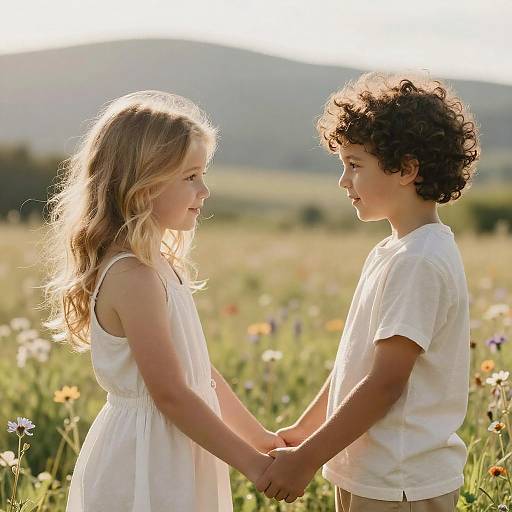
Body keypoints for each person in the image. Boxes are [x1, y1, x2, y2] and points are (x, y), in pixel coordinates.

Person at [42, 91, 283, 511]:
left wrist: (259, 438)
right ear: (143, 185)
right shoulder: (132, 276)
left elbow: (197, 373)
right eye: (190, 176)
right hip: (147, 457)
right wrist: (255, 466)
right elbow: (170, 394)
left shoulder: (158, 266)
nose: (205, 190)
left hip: (178, 444)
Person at [256, 72, 479, 511]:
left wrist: (305, 460)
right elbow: (353, 367)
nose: (343, 181)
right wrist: (304, 432)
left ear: (407, 169)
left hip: (400, 483)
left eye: (355, 165)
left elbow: (385, 384)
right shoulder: (393, 250)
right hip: (375, 473)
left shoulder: (418, 260)